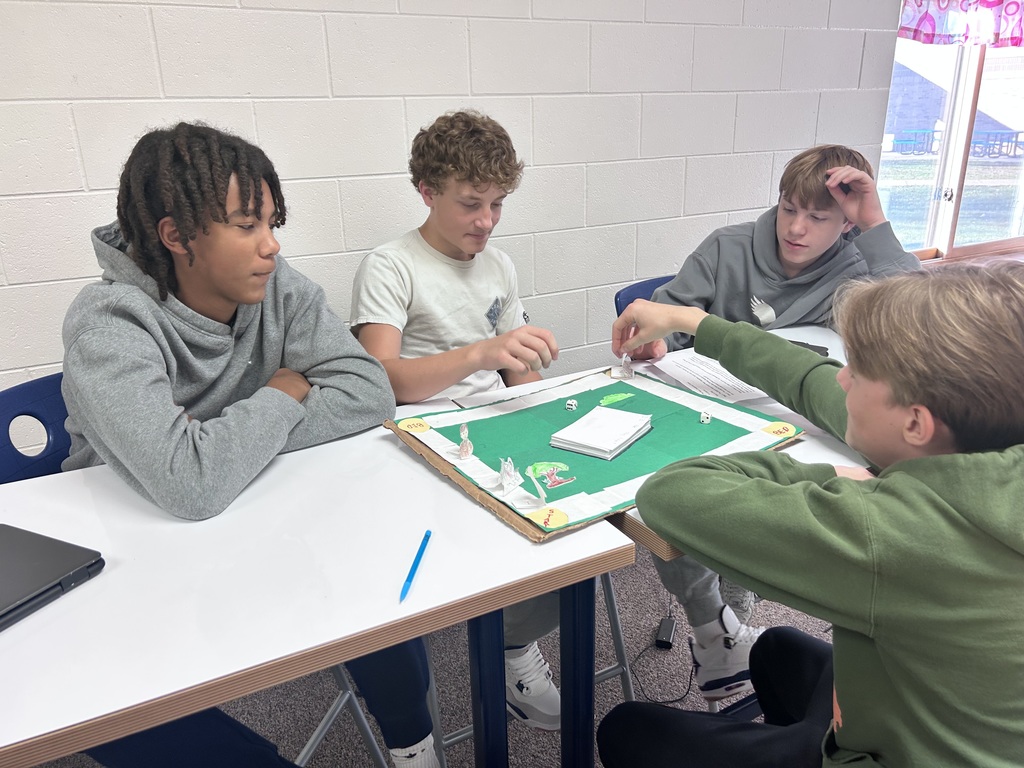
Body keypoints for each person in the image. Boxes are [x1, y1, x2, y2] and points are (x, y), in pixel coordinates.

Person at [62, 123, 438, 768]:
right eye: (246, 225)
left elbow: (368, 392)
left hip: (260, 509)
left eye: (271, 222)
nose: (271, 245)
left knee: (371, 591)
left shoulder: (277, 285)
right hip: (138, 553)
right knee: (138, 716)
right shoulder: (109, 324)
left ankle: (413, 746)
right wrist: (280, 393)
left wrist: (217, 441)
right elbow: (188, 484)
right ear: (177, 236)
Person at [598, 264, 1024, 767]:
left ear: (915, 423)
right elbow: (809, 378)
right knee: (776, 651)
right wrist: (692, 321)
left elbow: (671, 493)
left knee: (628, 730)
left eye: (858, 373)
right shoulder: (984, 443)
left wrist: (833, 479)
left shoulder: (888, 534)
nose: (842, 376)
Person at [630, 144, 922, 704]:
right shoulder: (729, 246)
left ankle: (732, 624)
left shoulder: (856, 267)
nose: (796, 228)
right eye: (789, 208)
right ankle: (717, 629)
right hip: (705, 402)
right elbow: (667, 320)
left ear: (847, 225)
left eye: (818, 218)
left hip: (789, 414)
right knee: (676, 493)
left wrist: (876, 224)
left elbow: (919, 314)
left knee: (763, 498)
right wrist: (657, 343)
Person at [350, 110, 563, 731]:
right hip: (414, 441)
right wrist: (481, 354)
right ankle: (499, 644)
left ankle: (511, 644)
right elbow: (381, 378)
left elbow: (517, 371)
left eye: (498, 204)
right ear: (427, 192)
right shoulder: (391, 265)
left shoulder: (498, 266)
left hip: (488, 429)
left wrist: (545, 405)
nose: (487, 221)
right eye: (472, 204)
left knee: (581, 530)